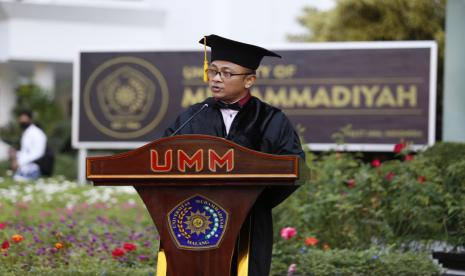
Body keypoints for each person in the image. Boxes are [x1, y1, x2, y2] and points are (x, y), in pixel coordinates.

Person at [164, 34, 305, 275]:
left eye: (227, 73)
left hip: (249, 221)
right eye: (214, 71)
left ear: (249, 80)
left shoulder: (271, 119)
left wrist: (255, 200)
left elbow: (296, 168)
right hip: (195, 220)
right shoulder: (191, 116)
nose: (216, 79)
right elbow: (162, 159)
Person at [9, 110, 54, 181]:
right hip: (26, 167)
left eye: (24, 118)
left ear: (30, 119)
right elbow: (26, 152)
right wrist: (16, 154)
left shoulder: (36, 133)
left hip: (38, 167)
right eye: (20, 118)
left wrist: (19, 162)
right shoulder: (26, 133)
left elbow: (38, 153)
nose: (22, 121)